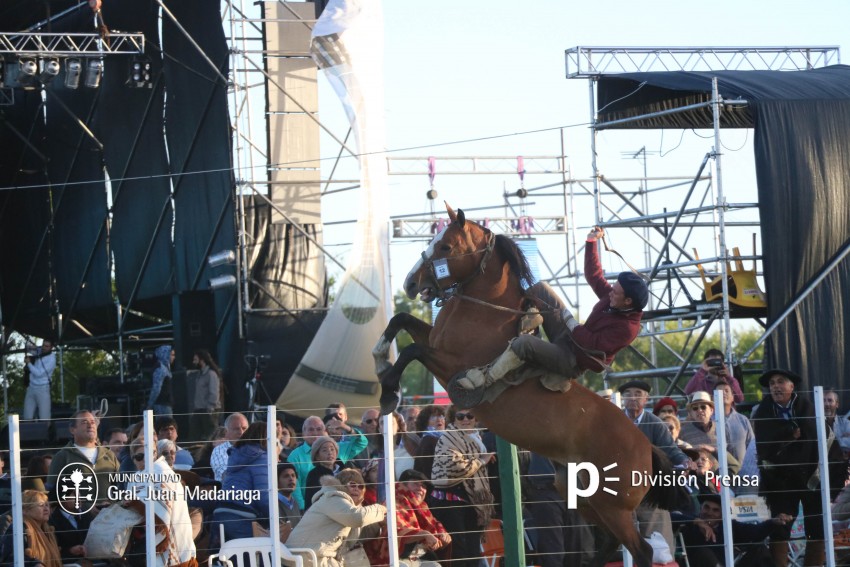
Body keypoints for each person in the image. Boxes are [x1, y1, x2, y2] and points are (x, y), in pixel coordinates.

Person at [457, 226, 647, 393]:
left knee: (524, 343)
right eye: (613, 288)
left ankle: (486, 379)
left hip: (572, 360)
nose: (611, 291)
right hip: (571, 337)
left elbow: (591, 344)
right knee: (541, 289)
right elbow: (594, 275)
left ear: (628, 301)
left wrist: (572, 324)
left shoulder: (628, 329)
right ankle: (529, 327)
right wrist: (591, 242)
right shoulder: (615, 298)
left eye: (616, 292)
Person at [751, 368, 845, 566]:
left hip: (811, 476)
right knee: (780, 524)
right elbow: (765, 446)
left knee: (817, 525)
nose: (776, 386)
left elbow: (819, 440)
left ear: (791, 386)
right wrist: (788, 434)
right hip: (780, 479)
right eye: (772, 383)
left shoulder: (807, 408)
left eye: (780, 382)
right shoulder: (763, 412)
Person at [619, 380, 691, 557]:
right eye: (628, 393)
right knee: (623, 545)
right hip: (620, 489)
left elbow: (671, 449)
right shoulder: (615, 421)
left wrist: (685, 460)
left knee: (658, 545)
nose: (633, 397)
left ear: (646, 399)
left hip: (649, 488)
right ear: (622, 398)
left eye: (638, 393)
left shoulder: (655, 423)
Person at [429, 407, 495, 567]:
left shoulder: (476, 436)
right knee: (460, 552)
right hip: (452, 502)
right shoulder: (448, 438)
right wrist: (481, 461)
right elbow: (454, 467)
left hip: (472, 502)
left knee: (473, 551)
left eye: (470, 415)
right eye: (460, 416)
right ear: (453, 419)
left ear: (476, 418)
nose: (466, 419)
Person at [287, 469, 387, 567]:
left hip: (313, 557)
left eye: (361, 486)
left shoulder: (348, 508)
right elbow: (357, 518)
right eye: (352, 484)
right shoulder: (332, 498)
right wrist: (381, 509)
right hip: (305, 558)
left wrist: (379, 524)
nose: (356, 488)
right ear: (341, 485)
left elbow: (352, 540)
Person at [125, 436, 196, 566]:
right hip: (145, 543)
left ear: (155, 453)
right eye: (139, 457)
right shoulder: (137, 476)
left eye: (149, 454)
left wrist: (131, 503)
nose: (145, 460)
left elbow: (154, 510)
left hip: (176, 552)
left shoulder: (162, 472)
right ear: (133, 459)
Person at [673, 493, 793, 567]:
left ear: (722, 515)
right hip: (696, 564)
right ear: (701, 509)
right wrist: (698, 522)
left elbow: (754, 532)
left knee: (759, 549)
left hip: (728, 564)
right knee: (703, 552)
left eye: (715, 510)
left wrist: (772, 522)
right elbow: (670, 517)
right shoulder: (690, 523)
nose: (709, 513)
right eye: (706, 507)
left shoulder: (728, 526)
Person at [288, 415, 367, 510]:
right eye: (311, 429)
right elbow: (295, 487)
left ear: (325, 431)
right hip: (313, 509)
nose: (315, 433)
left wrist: (346, 427)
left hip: (343, 507)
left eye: (319, 429)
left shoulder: (335, 447)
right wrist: (303, 509)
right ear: (303, 433)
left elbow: (362, 442)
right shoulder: (295, 456)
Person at [47, 410, 119, 504]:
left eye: (93, 422)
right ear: (72, 430)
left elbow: (121, 485)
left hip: (110, 515)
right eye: (84, 422)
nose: (90, 425)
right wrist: (86, 507)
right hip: (78, 516)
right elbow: (53, 493)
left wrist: (112, 503)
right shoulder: (62, 456)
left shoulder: (109, 455)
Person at [216, 421, 272, 540]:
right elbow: (263, 495)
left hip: (220, 512)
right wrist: (277, 517)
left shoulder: (236, 455)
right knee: (259, 556)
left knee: (229, 557)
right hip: (242, 515)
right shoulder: (261, 457)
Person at [678, 391, 741, 474]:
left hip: (720, 479)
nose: (699, 410)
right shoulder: (682, 431)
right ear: (691, 413)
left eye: (703, 407)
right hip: (695, 480)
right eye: (695, 408)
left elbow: (732, 454)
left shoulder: (721, 428)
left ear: (711, 410)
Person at [0, 489, 62, 567]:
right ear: (25, 510)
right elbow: (9, 558)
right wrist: (34, 564)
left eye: (47, 505)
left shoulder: (49, 530)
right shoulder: (18, 529)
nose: (46, 509)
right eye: (41, 505)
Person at [304, 436, 345, 509]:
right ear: (317, 456)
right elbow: (311, 502)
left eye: (332, 449)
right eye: (324, 450)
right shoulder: (314, 475)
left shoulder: (345, 469)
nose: (330, 452)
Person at [191, 349, 222, 442]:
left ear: (202, 360)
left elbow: (214, 393)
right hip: (199, 409)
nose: (194, 362)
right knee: (194, 435)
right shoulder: (200, 374)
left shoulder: (211, 374)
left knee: (211, 436)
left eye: (196, 359)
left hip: (208, 410)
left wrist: (210, 408)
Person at [23, 338, 56, 421]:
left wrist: (29, 363)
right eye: (43, 345)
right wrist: (31, 346)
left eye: (47, 346)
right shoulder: (40, 351)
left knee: (44, 417)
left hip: (42, 389)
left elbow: (39, 374)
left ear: (51, 347)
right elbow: (28, 348)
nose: (44, 347)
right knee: (27, 416)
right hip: (31, 388)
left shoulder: (51, 359)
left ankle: (46, 433)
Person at [210, 412, 249, 481]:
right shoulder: (219, 451)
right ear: (226, 432)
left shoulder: (255, 448)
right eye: (236, 429)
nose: (241, 432)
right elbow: (228, 476)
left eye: (244, 428)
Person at [412, 405, 447, 479]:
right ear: (425, 422)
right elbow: (427, 470)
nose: (439, 419)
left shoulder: (447, 438)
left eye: (441, 416)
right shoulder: (428, 440)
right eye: (433, 417)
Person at [146, 345, 175, 417]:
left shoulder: (164, 368)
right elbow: (156, 389)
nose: (173, 357)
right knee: (164, 426)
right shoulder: (160, 369)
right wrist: (150, 405)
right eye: (172, 355)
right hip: (162, 405)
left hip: (165, 403)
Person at [824, 388, 850, 457]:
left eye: (830, 400)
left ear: (837, 404)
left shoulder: (846, 423)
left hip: (840, 463)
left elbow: (849, 444)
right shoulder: (814, 424)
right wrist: (841, 438)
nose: (826, 404)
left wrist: (827, 444)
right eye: (823, 400)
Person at [278, 462, 302, 529]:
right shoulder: (274, 504)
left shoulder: (295, 503)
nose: (291, 479)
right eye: (286, 476)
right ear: (277, 482)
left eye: (293, 475)